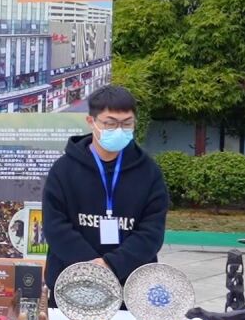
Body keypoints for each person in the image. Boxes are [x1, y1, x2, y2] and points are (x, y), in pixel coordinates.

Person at [42, 85, 168, 294]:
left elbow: (151, 231)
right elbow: (55, 227)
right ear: (91, 121)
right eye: (110, 124)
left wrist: (112, 265)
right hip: (71, 283)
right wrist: (91, 266)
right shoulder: (64, 169)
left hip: (131, 288)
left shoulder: (149, 172)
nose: (119, 130)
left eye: (126, 123)